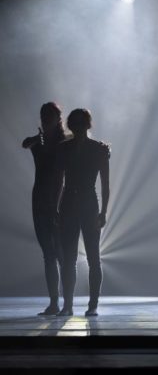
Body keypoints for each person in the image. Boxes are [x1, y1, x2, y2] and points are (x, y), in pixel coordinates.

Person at [55, 108, 110, 317]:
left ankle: (93, 304)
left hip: (88, 203)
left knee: (93, 257)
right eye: (74, 123)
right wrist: (57, 208)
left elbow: (105, 184)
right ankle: (67, 305)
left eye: (81, 122)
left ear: (88, 125)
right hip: (70, 202)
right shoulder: (64, 149)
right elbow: (59, 182)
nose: (78, 127)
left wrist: (103, 211)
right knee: (68, 258)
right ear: (71, 125)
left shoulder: (99, 149)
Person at [21, 102, 68, 315]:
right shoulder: (36, 141)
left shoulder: (65, 142)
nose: (45, 120)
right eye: (43, 116)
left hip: (58, 200)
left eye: (49, 116)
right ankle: (54, 302)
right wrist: (35, 141)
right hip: (40, 200)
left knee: (61, 254)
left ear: (58, 119)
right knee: (48, 254)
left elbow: (84, 146)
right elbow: (25, 143)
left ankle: (65, 303)